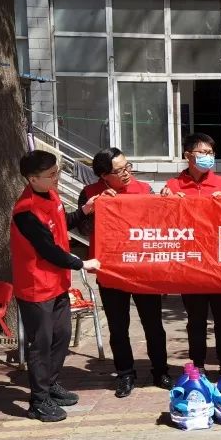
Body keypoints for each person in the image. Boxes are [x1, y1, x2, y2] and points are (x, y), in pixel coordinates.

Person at [11, 150, 101, 422]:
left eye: (57, 172)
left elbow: (60, 224)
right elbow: (47, 249)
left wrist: (84, 211)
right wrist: (82, 263)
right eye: (51, 175)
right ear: (32, 179)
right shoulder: (26, 211)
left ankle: (50, 385)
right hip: (36, 287)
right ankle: (38, 401)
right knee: (41, 343)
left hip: (57, 283)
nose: (56, 178)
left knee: (62, 336)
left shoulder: (50, 194)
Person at [79, 147, 169, 397]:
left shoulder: (144, 189)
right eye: (119, 171)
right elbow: (84, 230)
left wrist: (168, 200)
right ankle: (125, 374)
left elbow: (159, 224)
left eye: (128, 166)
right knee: (118, 326)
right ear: (103, 175)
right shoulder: (91, 193)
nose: (127, 173)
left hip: (142, 267)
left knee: (153, 324)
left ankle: (160, 370)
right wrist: (98, 207)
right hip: (111, 269)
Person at [161, 133, 221, 376]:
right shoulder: (173, 185)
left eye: (211, 153)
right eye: (203, 152)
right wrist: (168, 203)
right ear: (188, 155)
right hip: (191, 262)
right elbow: (165, 224)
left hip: (220, 262)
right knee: (196, 319)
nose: (208, 157)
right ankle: (198, 364)